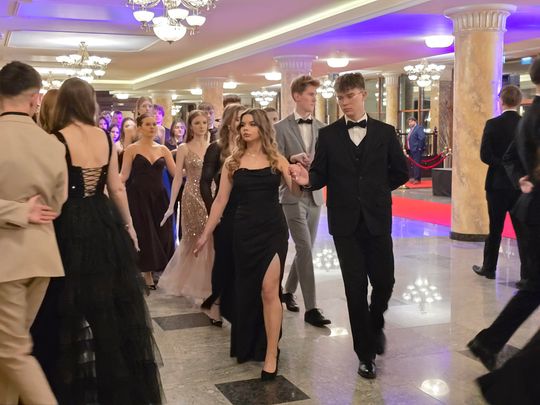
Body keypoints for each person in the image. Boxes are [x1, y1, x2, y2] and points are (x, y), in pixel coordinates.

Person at [34, 77, 163, 404]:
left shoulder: (56, 138)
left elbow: (57, 192)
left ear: (64, 103)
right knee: (107, 307)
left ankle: (68, 384)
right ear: (88, 103)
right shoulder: (104, 137)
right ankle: (115, 388)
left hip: (68, 223)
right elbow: (116, 188)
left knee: (66, 305)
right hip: (103, 221)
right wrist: (129, 226)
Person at [290, 72, 409, 379]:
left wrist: (376, 191)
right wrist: (306, 179)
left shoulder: (385, 132)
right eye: (340, 98)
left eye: (350, 96)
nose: (344, 102)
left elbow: (401, 171)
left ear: (363, 95)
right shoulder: (329, 135)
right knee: (355, 288)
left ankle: (375, 322)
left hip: (377, 219)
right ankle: (365, 354)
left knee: (384, 282)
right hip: (345, 224)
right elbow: (319, 174)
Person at [195, 108, 301, 380]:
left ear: (262, 128)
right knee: (250, 290)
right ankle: (254, 342)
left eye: (252, 124)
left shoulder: (277, 159)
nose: (245, 128)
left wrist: (301, 179)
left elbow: (295, 191)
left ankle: (271, 354)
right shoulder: (233, 161)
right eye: (243, 124)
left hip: (273, 230)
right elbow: (220, 201)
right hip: (243, 231)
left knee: (270, 290)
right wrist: (206, 233)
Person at [468, 57, 540, 375]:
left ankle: (490, 268)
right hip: (528, 200)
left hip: (506, 189)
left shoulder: (516, 119)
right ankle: (490, 344)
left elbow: (494, 155)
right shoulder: (530, 118)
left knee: (496, 230)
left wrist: (520, 177)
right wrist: (523, 179)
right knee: (533, 284)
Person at [0, 61, 67, 405]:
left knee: (12, 352)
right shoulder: (52, 144)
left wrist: (15, 211)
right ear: (34, 98)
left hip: (7, 261)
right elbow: (56, 203)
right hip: (42, 257)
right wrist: (26, 209)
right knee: (10, 349)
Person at [275, 75, 330, 327]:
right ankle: (312, 308)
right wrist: (290, 158)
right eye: (310, 94)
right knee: (305, 247)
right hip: (291, 194)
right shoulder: (279, 128)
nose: (314, 99)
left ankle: (287, 291)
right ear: (297, 96)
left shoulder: (323, 128)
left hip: (315, 195)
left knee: (305, 248)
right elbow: (273, 160)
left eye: (315, 95)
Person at [158, 110, 215, 308]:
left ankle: (208, 282)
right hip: (191, 195)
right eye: (197, 123)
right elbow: (176, 178)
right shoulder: (183, 148)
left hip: (211, 194)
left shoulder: (213, 146)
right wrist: (171, 205)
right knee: (194, 237)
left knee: (211, 237)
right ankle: (192, 283)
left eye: (204, 122)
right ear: (190, 126)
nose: (201, 126)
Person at [472, 85, 526, 280]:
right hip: (521, 185)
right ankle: (527, 274)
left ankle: (489, 269)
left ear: (501, 101)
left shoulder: (492, 124)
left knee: (495, 229)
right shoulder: (525, 124)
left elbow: (485, 155)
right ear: (519, 102)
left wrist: (502, 165)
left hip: (496, 185)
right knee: (523, 232)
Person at [200, 103, 244, 324]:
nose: (241, 124)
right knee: (223, 260)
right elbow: (204, 183)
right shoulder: (216, 148)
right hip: (224, 211)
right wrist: (213, 214)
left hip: (246, 211)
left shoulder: (251, 147)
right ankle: (215, 303)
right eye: (237, 119)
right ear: (228, 122)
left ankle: (238, 305)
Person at [121, 112, 176, 289]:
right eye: (148, 124)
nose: (152, 127)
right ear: (139, 128)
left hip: (160, 197)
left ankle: (157, 269)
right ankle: (147, 274)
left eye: (154, 124)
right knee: (145, 234)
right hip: (138, 197)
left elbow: (176, 173)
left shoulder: (163, 149)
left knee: (163, 233)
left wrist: (195, 169)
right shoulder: (132, 149)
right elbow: (124, 175)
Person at [406, 117, 426, 184]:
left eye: (411, 122)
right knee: (413, 165)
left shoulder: (419, 128)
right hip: (411, 149)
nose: (409, 123)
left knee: (416, 164)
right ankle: (414, 178)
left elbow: (422, 138)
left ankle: (417, 179)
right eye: (409, 122)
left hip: (416, 149)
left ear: (414, 121)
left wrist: (419, 147)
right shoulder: (411, 129)